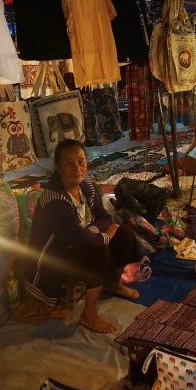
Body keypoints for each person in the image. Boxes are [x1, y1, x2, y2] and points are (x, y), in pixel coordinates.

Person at [23, 139, 142, 333]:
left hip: (75, 246)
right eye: (69, 163)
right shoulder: (54, 199)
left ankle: (113, 284)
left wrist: (94, 231)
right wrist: (102, 236)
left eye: (81, 161)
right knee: (99, 251)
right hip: (51, 260)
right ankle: (89, 314)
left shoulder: (87, 187)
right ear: (58, 168)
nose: (77, 168)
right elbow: (77, 238)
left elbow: (104, 216)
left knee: (124, 233)